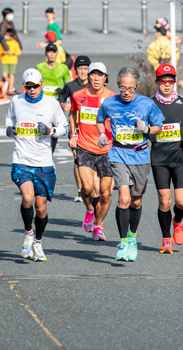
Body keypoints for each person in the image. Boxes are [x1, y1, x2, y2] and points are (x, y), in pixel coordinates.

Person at [96, 67, 164, 261]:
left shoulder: (147, 103)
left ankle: (133, 238)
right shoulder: (109, 103)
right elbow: (100, 120)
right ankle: (123, 242)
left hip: (140, 156)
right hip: (118, 154)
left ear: (137, 86)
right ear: (118, 86)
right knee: (123, 199)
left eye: (130, 88)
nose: (126, 92)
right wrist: (102, 134)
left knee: (135, 201)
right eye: (123, 88)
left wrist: (147, 128)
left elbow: (159, 127)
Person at [5, 68, 69, 261]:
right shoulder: (16, 101)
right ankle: (27, 233)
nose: (32, 89)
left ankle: (38, 242)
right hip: (21, 159)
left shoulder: (51, 103)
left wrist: (50, 130)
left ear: (41, 84)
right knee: (27, 197)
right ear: (24, 86)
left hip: (44, 162)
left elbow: (64, 127)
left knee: (41, 208)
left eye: (35, 86)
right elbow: (9, 117)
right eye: (28, 86)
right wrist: (9, 128)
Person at [150, 64, 183, 254]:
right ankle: (165, 239)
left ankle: (177, 221)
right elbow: (143, 128)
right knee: (164, 201)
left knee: (181, 203)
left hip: (179, 158)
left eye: (170, 81)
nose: (167, 85)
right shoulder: (150, 104)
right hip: (159, 159)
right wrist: (149, 134)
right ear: (157, 82)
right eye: (163, 81)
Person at [69, 62, 116, 241]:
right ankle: (89, 210)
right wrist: (73, 134)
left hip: (107, 149)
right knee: (87, 188)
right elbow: (73, 114)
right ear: (88, 76)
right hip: (85, 147)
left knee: (106, 193)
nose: (96, 79)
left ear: (105, 78)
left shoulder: (113, 98)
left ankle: (99, 224)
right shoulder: (77, 95)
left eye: (100, 75)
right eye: (93, 75)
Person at [59, 55, 91, 202]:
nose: (83, 72)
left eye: (86, 69)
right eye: (80, 69)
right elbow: (61, 98)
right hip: (75, 127)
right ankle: (80, 189)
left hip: (91, 128)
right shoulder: (70, 86)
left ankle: (89, 186)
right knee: (77, 159)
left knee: (91, 159)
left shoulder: (94, 86)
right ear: (76, 70)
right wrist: (64, 105)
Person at [0, 28, 21, 95]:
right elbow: (0, 50)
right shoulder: (4, 43)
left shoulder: (15, 43)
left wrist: (13, 53)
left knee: (11, 75)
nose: (6, 36)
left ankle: (10, 88)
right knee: (4, 75)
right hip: (5, 60)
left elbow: (18, 52)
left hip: (12, 61)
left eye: (8, 35)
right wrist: (4, 52)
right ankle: (11, 86)